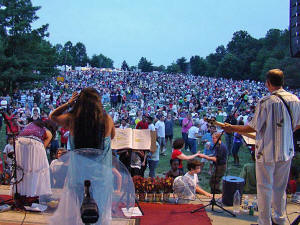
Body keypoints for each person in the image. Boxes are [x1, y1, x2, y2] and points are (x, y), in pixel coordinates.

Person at [223, 69, 300, 225]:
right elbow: (297, 124)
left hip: (267, 151)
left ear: (268, 83)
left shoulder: (266, 102)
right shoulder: (295, 100)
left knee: (265, 187)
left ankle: (264, 222)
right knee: (280, 187)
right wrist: (284, 131)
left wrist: (232, 128)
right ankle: (279, 219)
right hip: (287, 150)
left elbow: (253, 127)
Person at [49, 88, 134, 225]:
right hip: (100, 175)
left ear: (79, 102)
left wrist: (69, 104)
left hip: (78, 175)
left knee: (79, 211)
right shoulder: (106, 119)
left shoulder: (72, 119)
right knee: (99, 212)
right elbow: (111, 137)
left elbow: (52, 116)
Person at [13, 120, 57, 203]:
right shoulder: (48, 132)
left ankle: (20, 194)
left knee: (21, 169)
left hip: (18, 142)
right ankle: (33, 194)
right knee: (39, 169)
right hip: (34, 143)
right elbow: (42, 148)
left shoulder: (31, 124)